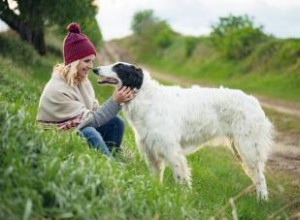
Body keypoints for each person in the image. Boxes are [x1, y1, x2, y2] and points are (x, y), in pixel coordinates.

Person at [36, 22, 134, 157]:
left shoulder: (83, 82)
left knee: (116, 123)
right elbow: (92, 121)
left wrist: (117, 101)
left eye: (92, 61)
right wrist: (115, 102)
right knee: (89, 132)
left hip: (77, 129)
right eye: (86, 61)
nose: (90, 66)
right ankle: (110, 167)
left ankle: (113, 156)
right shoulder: (57, 89)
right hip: (58, 136)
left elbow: (95, 112)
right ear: (74, 61)